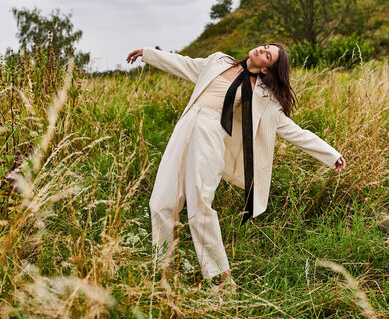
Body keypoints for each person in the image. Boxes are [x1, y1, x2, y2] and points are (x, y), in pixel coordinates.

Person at [126, 44, 346, 293]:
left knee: (200, 204)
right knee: (161, 201)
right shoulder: (218, 60)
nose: (261, 50)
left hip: (210, 138)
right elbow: (186, 64)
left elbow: (291, 130)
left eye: (267, 55)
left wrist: (330, 155)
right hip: (185, 128)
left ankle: (222, 278)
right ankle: (163, 268)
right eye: (264, 46)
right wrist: (149, 54)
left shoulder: (262, 95)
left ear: (266, 68)